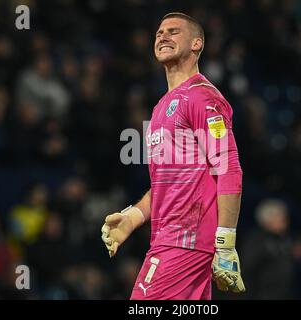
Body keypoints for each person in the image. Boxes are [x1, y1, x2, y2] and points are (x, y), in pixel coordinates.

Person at [101, 12, 245, 300]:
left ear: (196, 44)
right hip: (171, 240)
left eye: (173, 31)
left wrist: (226, 242)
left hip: (185, 242)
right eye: (159, 32)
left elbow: (228, 169)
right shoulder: (160, 108)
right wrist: (133, 217)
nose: (162, 36)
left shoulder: (202, 97)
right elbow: (169, 182)